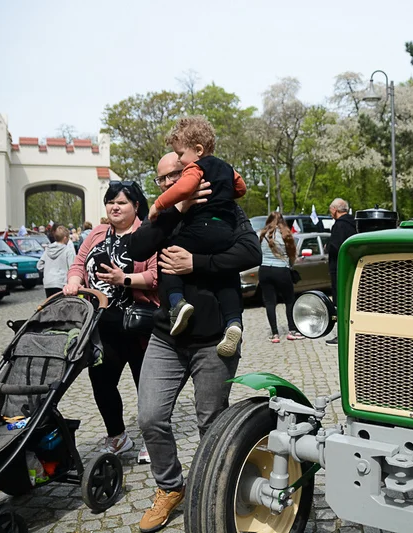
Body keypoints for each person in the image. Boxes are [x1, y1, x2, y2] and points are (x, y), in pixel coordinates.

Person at [126, 158, 261, 532]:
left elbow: (251, 253)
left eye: (175, 173)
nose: (170, 179)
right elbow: (138, 248)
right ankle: (170, 488)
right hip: (166, 337)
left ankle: (216, 489)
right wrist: (174, 209)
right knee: (150, 417)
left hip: (213, 341)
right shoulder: (167, 212)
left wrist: (195, 262)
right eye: (163, 177)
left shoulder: (226, 208)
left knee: (211, 423)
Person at [63, 181, 158, 458]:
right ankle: (118, 436)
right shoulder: (97, 233)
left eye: (122, 202)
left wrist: (124, 279)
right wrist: (73, 281)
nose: (115, 207)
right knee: (102, 384)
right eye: (110, 202)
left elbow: (156, 276)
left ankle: (154, 442)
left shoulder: (147, 234)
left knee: (148, 390)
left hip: (140, 328)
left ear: (136, 206)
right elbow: (79, 263)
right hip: (101, 327)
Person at [147, 116, 247, 357]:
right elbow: (241, 188)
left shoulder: (196, 168)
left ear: (198, 150)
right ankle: (234, 322)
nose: (179, 160)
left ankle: (177, 303)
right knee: (225, 276)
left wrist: (159, 205)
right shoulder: (226, 167)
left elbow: (183, 188)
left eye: (180, 154)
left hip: (202, 227)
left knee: (171, 254)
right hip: (224, 229)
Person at [258, 212, 304, 343]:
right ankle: (292, 330)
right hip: (281, 270)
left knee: (269, 302)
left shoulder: (261, 235)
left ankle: (274, 334)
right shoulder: (286, 235)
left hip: (265, 269)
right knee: (289, 300)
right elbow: (292, 256)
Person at [325, 198, 357, 345]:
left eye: (330, 209)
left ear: (335, 210)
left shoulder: (339, 226)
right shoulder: (354, 223)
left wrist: (328, 247)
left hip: (338, 269)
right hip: (351, 267)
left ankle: (341, 335)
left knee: (339, 301)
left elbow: (337, 247)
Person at [37, 225, 76, 297]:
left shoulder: (48, 249)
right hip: (61, 283)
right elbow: (72, 267)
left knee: (50, 305)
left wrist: (47, 269)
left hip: (48, 283)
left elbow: (39, 265)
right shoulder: (68, 250)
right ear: (65, 238)